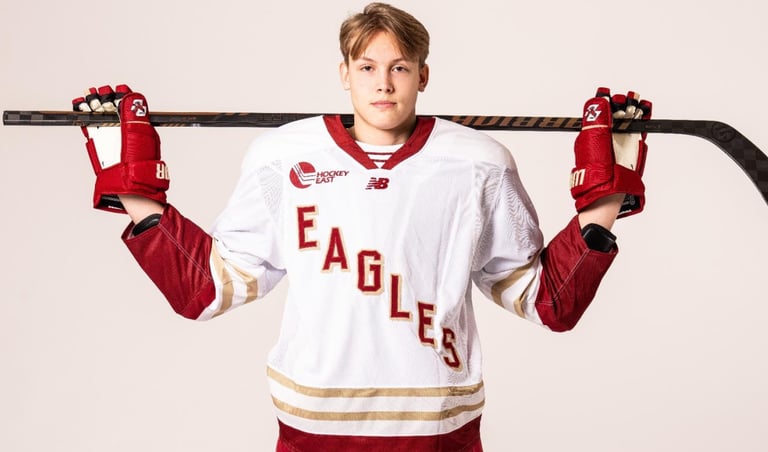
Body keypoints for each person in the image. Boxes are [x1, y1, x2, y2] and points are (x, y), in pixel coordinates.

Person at [72, 3, 651, 451]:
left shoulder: (480, 163)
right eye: (367, 67)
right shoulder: (280, 158)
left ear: (423, 75)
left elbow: (547, 300)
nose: (383, 84)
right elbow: (208, 288)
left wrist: (604, 201)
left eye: (399, 68)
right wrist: (136, 194)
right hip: (313, 425)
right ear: (344, 73)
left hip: (438, 428)